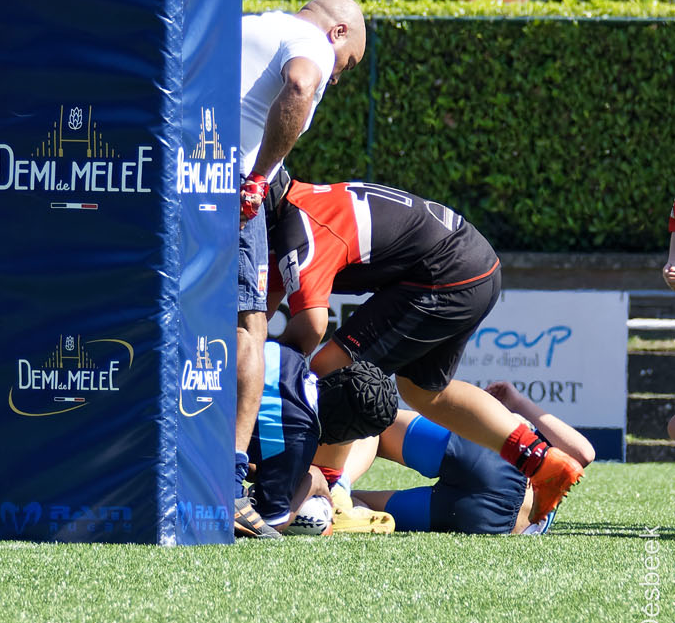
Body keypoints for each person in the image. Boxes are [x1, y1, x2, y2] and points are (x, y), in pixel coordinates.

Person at [266, 171, 586, 526]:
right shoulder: (299, 209)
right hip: (474, 265)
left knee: (334, 372)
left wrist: (268, 380)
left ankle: (331, 491)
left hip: (445, 273)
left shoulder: (296, 229)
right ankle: (540, 461)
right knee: (424, 392)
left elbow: (311, 327)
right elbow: (259, 315)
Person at [233, 0, 367, 540]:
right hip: (228, 188)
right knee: (247, 330)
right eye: (347, 66)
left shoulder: (248, 26)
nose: (336, 77)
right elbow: (302, 84)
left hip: (176, 177)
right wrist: (258, 177)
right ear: (338, 33)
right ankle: (228, 482)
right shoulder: (312, 43)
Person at [349, 381, 596, 534]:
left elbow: (585, 453)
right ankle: (336, 503)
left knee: (373, 423)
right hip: (489, 522)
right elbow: (583, 454)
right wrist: (518, 403)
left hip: (498, 459)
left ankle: (338, 486)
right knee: (353, 506)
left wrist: (516, 402)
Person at [246, 340, 398, 535]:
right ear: (343, 435)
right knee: (320, 522)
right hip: (204, 457)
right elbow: (268, 523)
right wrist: (313, 481)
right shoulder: (298, 442)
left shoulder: (289, 355)